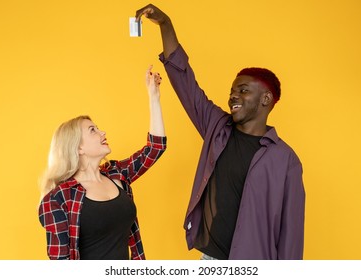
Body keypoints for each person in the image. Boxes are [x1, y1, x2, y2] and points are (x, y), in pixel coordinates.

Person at [135, 4, 305, 260]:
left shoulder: (286, 159)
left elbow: (291, 233)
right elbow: (185, 83)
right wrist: (165, 24)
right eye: (232, 91)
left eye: (244, 90)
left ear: (266, 99)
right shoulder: (217, 127)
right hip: (210, 261)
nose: (234, 96)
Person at [38, 66, 166, 260]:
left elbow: (156, 147)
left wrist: (154, 96)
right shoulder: (59, 199)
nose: (102, 133)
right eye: (92, 130)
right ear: (78, 147)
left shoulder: (116, 174)